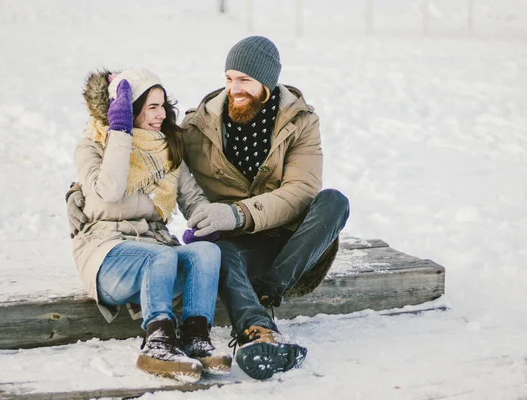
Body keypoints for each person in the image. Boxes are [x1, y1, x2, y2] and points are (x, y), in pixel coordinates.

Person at [68, 36, 350, 381]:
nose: (234, 88)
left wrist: (232, 213)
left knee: (333, 202)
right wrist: (112, 140)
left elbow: (301, 190)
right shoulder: (196, 127)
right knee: (213, 251)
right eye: (229, 78)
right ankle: (251, 330)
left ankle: (253, 300)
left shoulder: (300, 121)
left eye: (244, 79)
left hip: (289, 246)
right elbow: (117, 181)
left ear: (267, 81)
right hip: (226, 248)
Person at [71, 68, 231, 382]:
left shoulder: (168, 148)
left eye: (162, 106)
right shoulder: (93, 145)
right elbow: (109, 192)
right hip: (107, 256)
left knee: (206, 254)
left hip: (157, 256)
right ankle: (157, 343)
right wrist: (121, 133)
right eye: (151, 107)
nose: (161, 115)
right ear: (127, 110)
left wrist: (206, 221)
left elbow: (192, 197)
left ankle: (195, 338)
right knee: (161, 255)